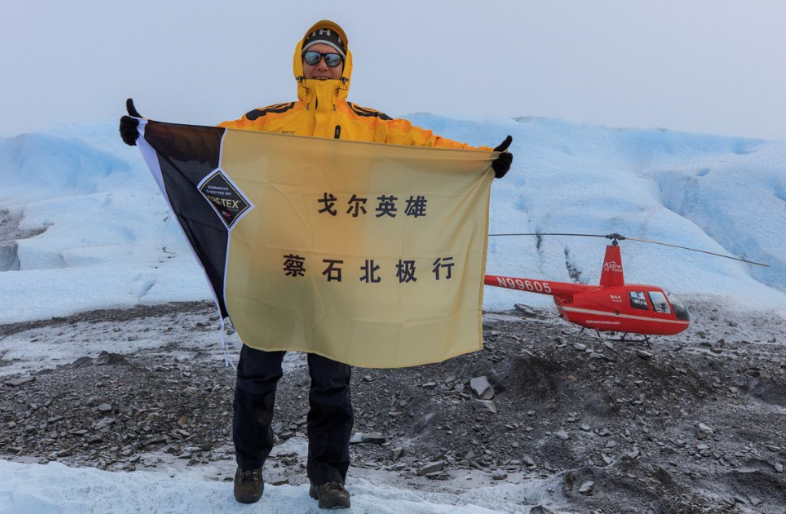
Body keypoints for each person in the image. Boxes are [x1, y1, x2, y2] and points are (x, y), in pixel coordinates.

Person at [120, 19, 512, 510]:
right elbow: (213, 146)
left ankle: (328, 477)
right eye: (314, 57)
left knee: (332, 382)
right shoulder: (271, 120)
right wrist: (151, 134)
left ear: (345, 68)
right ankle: (249, 466)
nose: (322, 66)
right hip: (274, 268)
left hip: (338, 271)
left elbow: (424, 148)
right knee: (257, 374)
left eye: (332, 58)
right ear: (299, 65)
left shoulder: (372, 125)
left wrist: (480, 159)